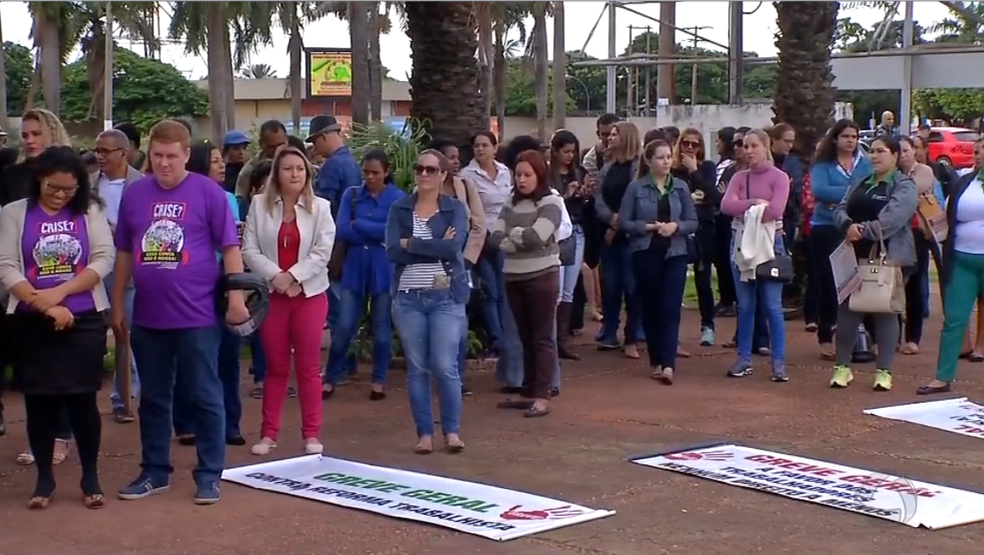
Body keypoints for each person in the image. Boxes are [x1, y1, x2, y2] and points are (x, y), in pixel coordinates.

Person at [113, 120, 248, 505]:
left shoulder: (209, 193)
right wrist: (120, 302)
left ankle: (209, 474)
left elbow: (230, 247)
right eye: (157, 155)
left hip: (198, 316)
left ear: (187, 155)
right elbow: (124, 250)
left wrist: (236, 298)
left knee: (206, 394)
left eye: (172, 156)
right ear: (148, 154)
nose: (164, 164)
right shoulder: (135, 195)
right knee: (154, 398)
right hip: (148, 317)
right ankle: (155, 471)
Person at [0, 146, 115, 510]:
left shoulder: (90, 210)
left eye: (69, 188)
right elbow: (5, 265)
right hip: (32, 320)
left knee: (83, 399)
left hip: (83, 316)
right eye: (54, 188)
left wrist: (60, 295)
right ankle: (44, 478)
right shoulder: (14, 213)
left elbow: (104, 257)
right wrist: (43, 304)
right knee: (39, 401)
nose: (62, 195)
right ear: (38, 179)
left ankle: (90, 476)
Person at [243, 144, 335, 455]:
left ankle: (311, 434)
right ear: (277, 174)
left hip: (308, 295)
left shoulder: (321, 207)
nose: (295, 173)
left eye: (300, 168)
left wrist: (294, 277)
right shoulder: (259, 205)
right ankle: (268, 434)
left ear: (307, 173)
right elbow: (249, 250)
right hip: (274, 296)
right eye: (288, 168)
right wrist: (277, 278)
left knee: (309, 367)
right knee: (276, 367)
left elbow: (322, 253)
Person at [1, 108, 75, 467]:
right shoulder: (12, 176)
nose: (29, 140)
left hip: (66, 284)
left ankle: (63, 435)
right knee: (32, 369)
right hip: (21, 285)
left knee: (63, 366)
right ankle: (38, 439)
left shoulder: (73, 171)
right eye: (25, 135)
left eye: (36, 134)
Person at [386, 149, 469, 454]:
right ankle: (424, 433)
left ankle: (451, 431)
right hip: (408, 299)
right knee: (417, 368)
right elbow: (393, 251)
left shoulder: (454, 209)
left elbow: (453, 250)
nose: (423, 174)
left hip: (445, 296)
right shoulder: (399, 209)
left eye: (431, 170)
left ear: (443, 175)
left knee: (445, 365)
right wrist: (435, 244)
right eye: (420, 168)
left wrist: (414, 243)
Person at [171, 141, 247, 447]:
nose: (222, 165)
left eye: (221, 160)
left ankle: (230, 422)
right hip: (190, 285)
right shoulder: (183, 198)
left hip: (222, 281)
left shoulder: (229, 199)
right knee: (189, 354)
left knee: (228, 354)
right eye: (215, 160)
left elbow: (231, 244)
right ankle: (186, 420)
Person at [831, 135, 917, 391]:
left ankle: (884, 371)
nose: (875, 156)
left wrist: (863, 230)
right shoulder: (861, 181)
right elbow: (840, 208)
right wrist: (847, 225)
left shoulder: (905, 185)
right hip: (853, 254)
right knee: (847, 310)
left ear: (894, 156)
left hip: (887, 256)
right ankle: (842, 368)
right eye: (873, 151)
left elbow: (894, 219)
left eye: (881, 151)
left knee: (884, 311)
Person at [322, 149, 404, 401]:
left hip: (383, 268)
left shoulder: (397, 198)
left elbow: (393, 233)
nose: (370, 177)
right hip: (354, 267)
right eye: (366, 172)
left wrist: (361, 225)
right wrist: (371, 230)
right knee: (344, 326)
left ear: (386, 172)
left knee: (381, 328)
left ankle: (378, 380)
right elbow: (342, 229)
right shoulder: (353, 194)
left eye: (375, 173)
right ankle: (330, 377)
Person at [491, 150, 563, 417]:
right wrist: (516, 238)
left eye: (527, 175)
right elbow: (495, 236)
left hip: (541, 276)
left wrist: (515, 236)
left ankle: (542, 395)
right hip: (513, 277)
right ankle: (528, 390)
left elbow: (537, 236)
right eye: (518, 174)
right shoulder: (510, 203)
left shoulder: (551, 201)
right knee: (525, 337)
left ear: (539, 175)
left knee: (542, 337)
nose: (521, 180)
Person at [621, 139, 698, 384]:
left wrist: (677, 226)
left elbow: (692, 221)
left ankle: (668, 364)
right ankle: (656, 359)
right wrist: (647, 227)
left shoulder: (681, 188)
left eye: (668, 157)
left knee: (670, 306)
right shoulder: (636, 188)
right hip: (645, 251)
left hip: (675, 252)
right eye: (661, 157)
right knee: (651, 306)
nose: (666, 161)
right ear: (649, 161)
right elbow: (624, 222)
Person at [720, 129, 791, 381]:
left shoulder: (780, 177)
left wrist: (748, 204)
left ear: (765, 146)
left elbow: (776, 210)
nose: (748, 151)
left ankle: (778, 362)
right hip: (741, 245)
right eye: (744, 146)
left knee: (773, 306)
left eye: (753, 146)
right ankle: (743, 358)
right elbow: (727, 206)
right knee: (746, 305)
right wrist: (755, 203)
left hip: (772, 246)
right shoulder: (739, 177)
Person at [919, 137, 984, 395]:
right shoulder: (963, 182)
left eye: (983, 151)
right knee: (954, 319)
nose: (978, 155)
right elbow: (948, 216)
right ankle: (942, 377)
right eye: (977, 151)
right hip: (962, 259)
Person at [91, 129, 144, 424]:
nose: (99, 156)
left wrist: (122, 235)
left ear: (123, 153)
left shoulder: (143, 185)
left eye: (105, 151)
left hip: (129, 269)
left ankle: (123, 399)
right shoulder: (87, 185)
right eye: (96, 150)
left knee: (125, 333)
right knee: (93, 335)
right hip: (94, 269)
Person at [428, 137, 486, 395]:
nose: (455, 161)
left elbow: (479, 224)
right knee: (440, 319)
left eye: (456, 157)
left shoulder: (466, 186)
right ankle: (441, 375)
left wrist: (467, 258)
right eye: (450, 157)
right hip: (434, 266)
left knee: (460, 320)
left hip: (462, 265)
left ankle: (456, 377)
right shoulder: (424, 189)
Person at [809, 120, 872, 360]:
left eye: (854, 137)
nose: (850, 141)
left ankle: (858, 336)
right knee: (829, 283)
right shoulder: (823, 165)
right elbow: (820, 191)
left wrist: (844, 197)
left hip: (856, 228)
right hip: (826, 227)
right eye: (845, 136)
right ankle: (826, 335)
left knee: (856, 283)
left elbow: (869, 189)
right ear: (835, 138)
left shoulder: (864, 164)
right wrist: (851, 193)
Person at [308, 115, 361, 387]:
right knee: (344, 307)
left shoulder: (333, 167)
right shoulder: (353, 163)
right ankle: (347, 363)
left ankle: (338, 368)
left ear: (326, 136)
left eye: (316, 140)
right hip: (351, 242)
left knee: (338, 308)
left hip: (331, 244)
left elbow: (322, 206)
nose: (316, 147)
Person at [460, 131, 512, 361]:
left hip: (505, 238)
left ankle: (506, 338)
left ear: (495, 147)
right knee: (489, 290)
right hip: (480, 239)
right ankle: (498, 340)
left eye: (484, 145)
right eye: (476, 145)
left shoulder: (505, 172)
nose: (480, 149)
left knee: (503, 289)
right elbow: (467, 211)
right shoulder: (467, 175)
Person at [594, 121, 643, 359]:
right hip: (610, 236)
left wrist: (620, 222)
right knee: (610, 286)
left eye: (614, 134)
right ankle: (609, 331)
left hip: (631, 238)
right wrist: (611, 219)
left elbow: (636, 200)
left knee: (632, 287)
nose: (609, 138)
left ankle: (633, 334)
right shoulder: (607, 168)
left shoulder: (638, 168)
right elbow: (599, 197)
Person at [672, 128, 720, 346]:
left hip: (704, 229)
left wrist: (694, 171)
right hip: (680, 230)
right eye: (686, 143)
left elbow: (712, 195)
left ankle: (708, 326)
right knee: (676, 280)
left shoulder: (707, 168)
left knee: (703, 279)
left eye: (695, 144)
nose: (690, 148)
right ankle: (674, 331)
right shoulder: (672, 170)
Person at [898, 136, 939, 356]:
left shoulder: (924, 171)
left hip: (917, 232)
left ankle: (913, 337)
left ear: (914, 151)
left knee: (914, 284)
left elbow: (912, 191)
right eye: (899, 151)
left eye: (906, 150)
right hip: (895, 233)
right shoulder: (892, 175)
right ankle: (892, 335)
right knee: (894, 284)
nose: (903, 155)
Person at [549, 131, 587, 360]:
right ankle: (551, 340)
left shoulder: (579, 172)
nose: (570, 156)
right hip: (555, 234)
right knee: (556, 291)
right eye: (566, 151)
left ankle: (562, 340)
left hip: (577, 230)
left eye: (573, 152)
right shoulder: (548, 175)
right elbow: (549, 202)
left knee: (568, 290)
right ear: (555, 151)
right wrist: (566, 194)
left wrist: (584, 194)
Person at [243, 160, 273, 400]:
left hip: (285, 280)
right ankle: (262, 377)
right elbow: (247, 248)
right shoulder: (250, 210)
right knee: (261, 329)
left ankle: (274, 375)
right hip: (255, 279)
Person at [714, 126, 750, 317]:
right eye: (734, 143)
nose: (737, 147)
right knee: (726, 265)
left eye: (741, 143)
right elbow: (722, 200)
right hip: (727, 226)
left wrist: (732, 199)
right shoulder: (729, 169)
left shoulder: (758, 173)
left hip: (750, 230)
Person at [235, 120, 287, 198]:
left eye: (281, 145)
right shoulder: (249, 171)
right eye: (271, 147)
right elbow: (241, 202)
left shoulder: (298, 164)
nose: (277, 150)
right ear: (261, 144)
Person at [582, 113, 620, 183]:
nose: (609, 138)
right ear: (598, 134)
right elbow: (597, 190)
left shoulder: (631, 153)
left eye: (612, 134)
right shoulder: (591, 159)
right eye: (604, 135)